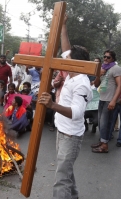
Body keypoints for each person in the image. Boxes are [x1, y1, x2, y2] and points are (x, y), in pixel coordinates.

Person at [39, 15, 93, 199]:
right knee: (67, 172)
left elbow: (77, 114)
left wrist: (52, 104)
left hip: (71, 137)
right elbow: (65, 48)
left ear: (76, 62)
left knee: (61, 178)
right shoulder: (70, 74)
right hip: (61, 132)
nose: (64, 59)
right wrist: (62, 26)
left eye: (68, 58)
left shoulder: (82, 83)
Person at [91, 50, 121, 153]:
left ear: (113, 59)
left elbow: (120, 85)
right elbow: (96, 85)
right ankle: (102, 141)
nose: (105, 59)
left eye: (108, 57)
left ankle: (105, 145)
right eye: (104, 57)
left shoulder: (116, 68)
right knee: (100, 123)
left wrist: (114, 101)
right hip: (102, 99)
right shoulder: (103, 69)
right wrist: (98, 75)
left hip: (110, 100)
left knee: (106, 123)